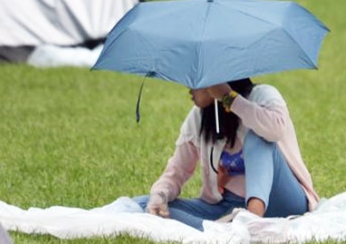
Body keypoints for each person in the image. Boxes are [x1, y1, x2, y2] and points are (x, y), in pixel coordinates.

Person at [134, 78, 319, 231]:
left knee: (258, 138)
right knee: (146, 204)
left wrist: (228, 98)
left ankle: (251, 222)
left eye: (196, 78)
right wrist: (160, 196)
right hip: (227, 206)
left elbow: (274, 131)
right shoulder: (199, 117)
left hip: (281, 199)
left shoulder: (263, 95)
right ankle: (219, 231)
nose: (188, 86)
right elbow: (177, 171)